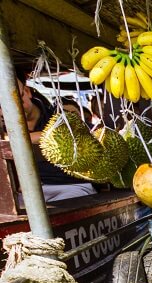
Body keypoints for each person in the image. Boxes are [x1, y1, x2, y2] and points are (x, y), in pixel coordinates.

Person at [0, 68, 97, 203]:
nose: (11, 108)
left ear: (27, 92)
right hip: (26, 192)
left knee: (70, 203)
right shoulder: (3, 129)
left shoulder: (60, 116)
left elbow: (75, 134)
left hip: (71, 186)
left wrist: (15, 140)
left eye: (17, 99)